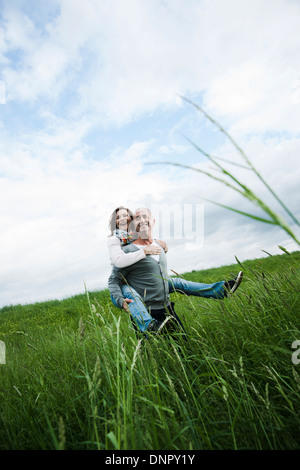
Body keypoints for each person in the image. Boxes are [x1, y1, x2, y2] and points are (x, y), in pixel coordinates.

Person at [107, 207, 243, 337]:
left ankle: (220, 290)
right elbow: (116, 273)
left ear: (153, 221)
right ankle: (149, 324)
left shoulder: (156, 244)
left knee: (179, 283)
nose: (141, 220)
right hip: (142, 305)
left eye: (145, 217)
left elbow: (147, 242)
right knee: (152, 355)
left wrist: (158, 245)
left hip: (166, 307)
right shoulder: (122, 246)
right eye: (137, 218)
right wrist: (120, 300)